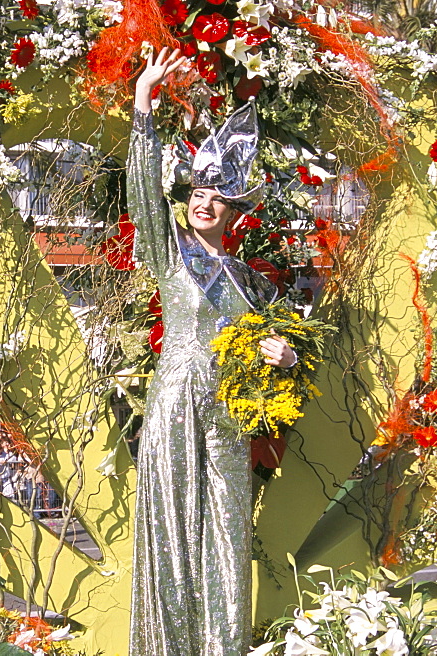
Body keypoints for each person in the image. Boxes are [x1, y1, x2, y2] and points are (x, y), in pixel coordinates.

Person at [127, 48, 297, 656]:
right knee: (172, 531)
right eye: (198, 191)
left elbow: (278, 357)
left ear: (234, 210)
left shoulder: (251, 282)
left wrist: (285, 358)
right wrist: (144, 102)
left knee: (227, 533)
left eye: (218, 196)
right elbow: (142, 192)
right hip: (175, 402)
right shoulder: (170, 250)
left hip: (227, 412)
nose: (205, 202)